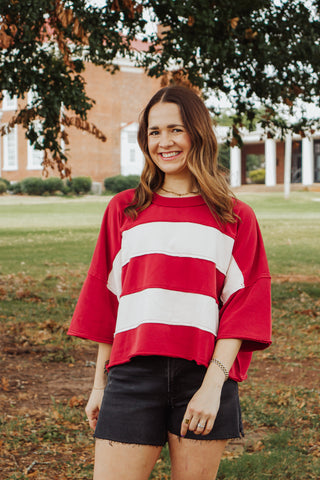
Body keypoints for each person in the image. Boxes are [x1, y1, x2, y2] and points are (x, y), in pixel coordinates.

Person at [68, 85, 272, 480]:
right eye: (154, 132)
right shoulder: (125, 209)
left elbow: (242, 307)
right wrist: (99, 386)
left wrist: (213, 387)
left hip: (202, 376)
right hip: (132, 374)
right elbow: (106, 301)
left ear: (198, 133)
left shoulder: (234, 217)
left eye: (176, 130)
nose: (165, 142)